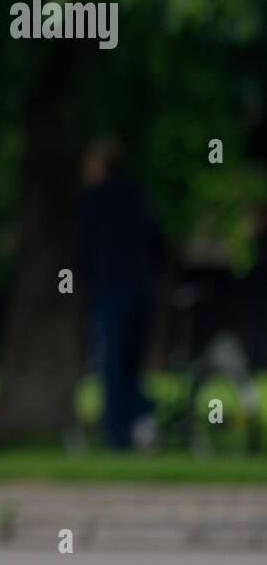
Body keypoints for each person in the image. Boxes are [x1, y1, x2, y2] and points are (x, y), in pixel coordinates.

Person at [76, 139, 161, 450]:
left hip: (111, 290)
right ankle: (140, 417)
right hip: (141, 289)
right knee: (132, 363)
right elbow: (156, 240)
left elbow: (82, 249)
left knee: (112, 363)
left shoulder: (93, 199)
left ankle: (117, 434)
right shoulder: (137, 195)